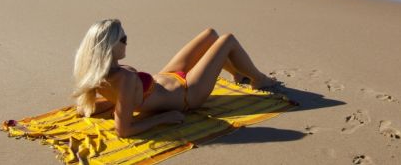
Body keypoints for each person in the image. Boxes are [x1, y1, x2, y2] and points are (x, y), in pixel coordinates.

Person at [72, 19, 276, 138]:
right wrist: (163, 117)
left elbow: (112, 102)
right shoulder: (123, 79)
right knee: (227, 40)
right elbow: (123, 129)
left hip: (167, 76)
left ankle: (237, 73)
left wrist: (113, 105)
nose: (127, 43)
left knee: (210, 34)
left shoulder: (99, 74)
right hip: (188, 92)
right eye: (123, 39)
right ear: (110, 47)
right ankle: (259, 79)